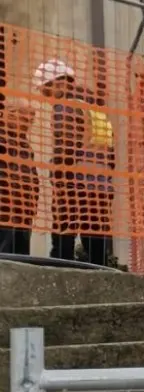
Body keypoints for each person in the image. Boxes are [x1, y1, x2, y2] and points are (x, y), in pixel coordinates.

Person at [37, 59, 116, 266]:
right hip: (101, 184)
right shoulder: (96, 109)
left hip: (74, 182)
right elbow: (111, 151)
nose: (46, 98)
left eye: (46, 91)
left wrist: (58, 173)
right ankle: (100, 273)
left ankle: (61, 273)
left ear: (59, 83)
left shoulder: (66, 106)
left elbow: (66, 144)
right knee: (96, 234)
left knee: (64, 232)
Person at [0, 29, 37, 255]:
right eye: (22, 116)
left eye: (30, 118)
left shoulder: (25, 146)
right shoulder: (4, 138)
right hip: (5, 213)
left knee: (22, 261)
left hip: (22, 216)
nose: (28, 121)